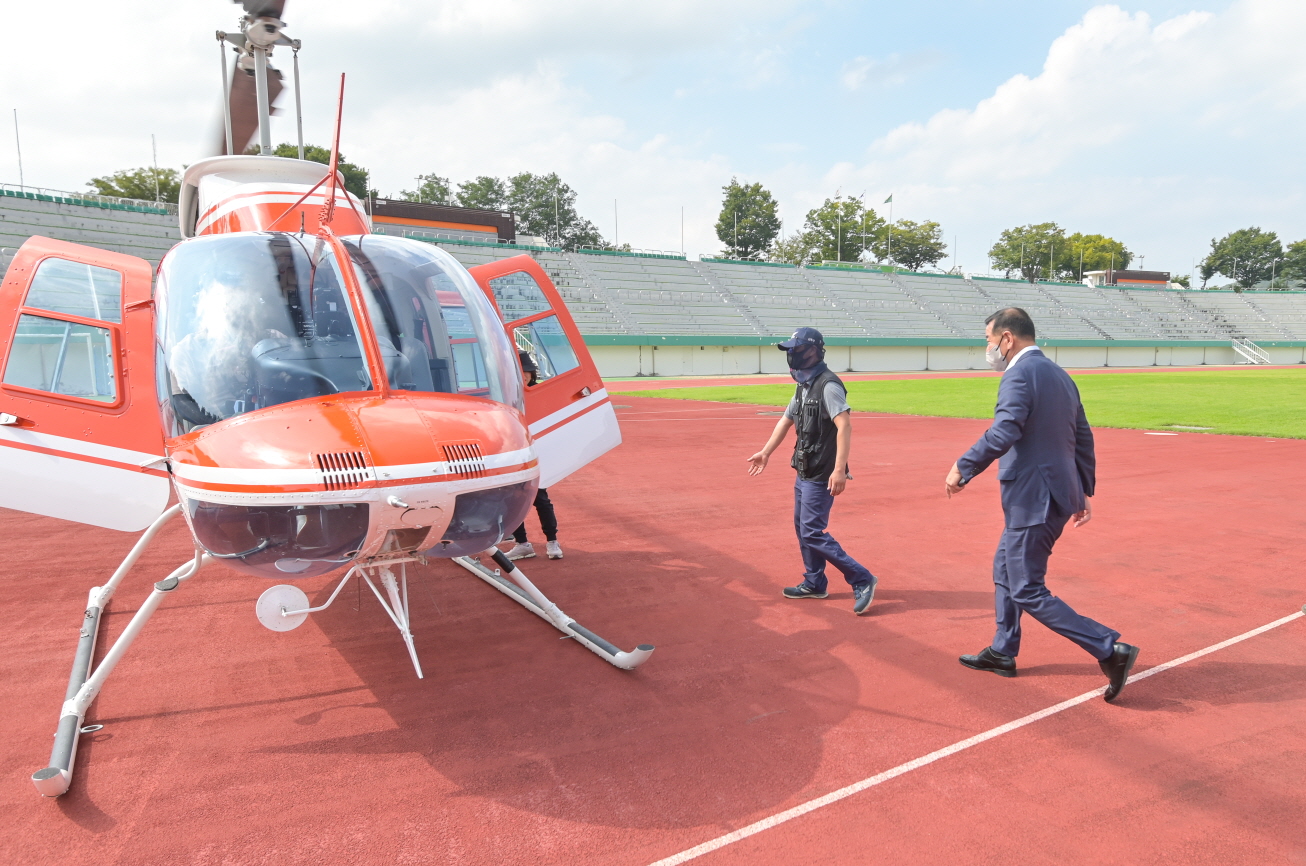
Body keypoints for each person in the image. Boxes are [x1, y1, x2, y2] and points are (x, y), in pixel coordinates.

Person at [945, 307, 1139, 701]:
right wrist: (1082, 490)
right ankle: (1003, 650)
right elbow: (1082, 436)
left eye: (988, 339)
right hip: (1052, 493)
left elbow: (1005, 429)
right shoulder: (1060, 375)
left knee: (1027, 587)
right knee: (1004, 568)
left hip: (1033, 497)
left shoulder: (1019, 374)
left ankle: (1108, 648)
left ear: (1007, 338)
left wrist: (963, 466)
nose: (988, 348)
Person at [748, 327, 877, 615]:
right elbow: (785, 421)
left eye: (796, 349)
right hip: (804, 469)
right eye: (790, 350)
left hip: (821, 473)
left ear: (812, 351)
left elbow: (844, 426)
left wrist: (839, 470)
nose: (792, 354)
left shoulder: (828, 385)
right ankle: (815, 582)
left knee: (812, 531)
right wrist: (765, 452)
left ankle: (861, 578)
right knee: (803, 529)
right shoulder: (803, 384)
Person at [505, 349, 562, 560]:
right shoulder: (506, 394)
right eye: (519, 373)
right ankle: (522, 543)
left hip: (537, 453)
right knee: (513, 501)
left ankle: (552, 541)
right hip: (514, 453)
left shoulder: (540, 394)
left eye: (526, 372)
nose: (524, 377)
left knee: (541, 499)